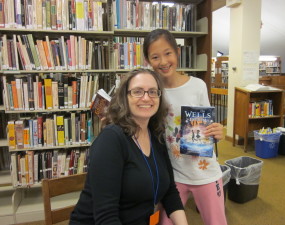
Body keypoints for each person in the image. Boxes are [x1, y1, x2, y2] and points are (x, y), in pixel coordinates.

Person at [69, 68, 188, 225]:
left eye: (153, 91)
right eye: (138, 91)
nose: (146, 98)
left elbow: (170, 193)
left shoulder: (156, 135)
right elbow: (106, 217)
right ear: (125, 97)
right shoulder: (111, 140)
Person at [143, 29, 227, 225]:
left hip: (204, 173)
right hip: (173, 175)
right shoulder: (153, 90)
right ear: (148, 61)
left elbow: (208, 126)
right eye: (155, 57)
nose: (163, 62)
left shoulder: (197, 85)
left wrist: (217, 132)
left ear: (177, 52)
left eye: (168, 53)